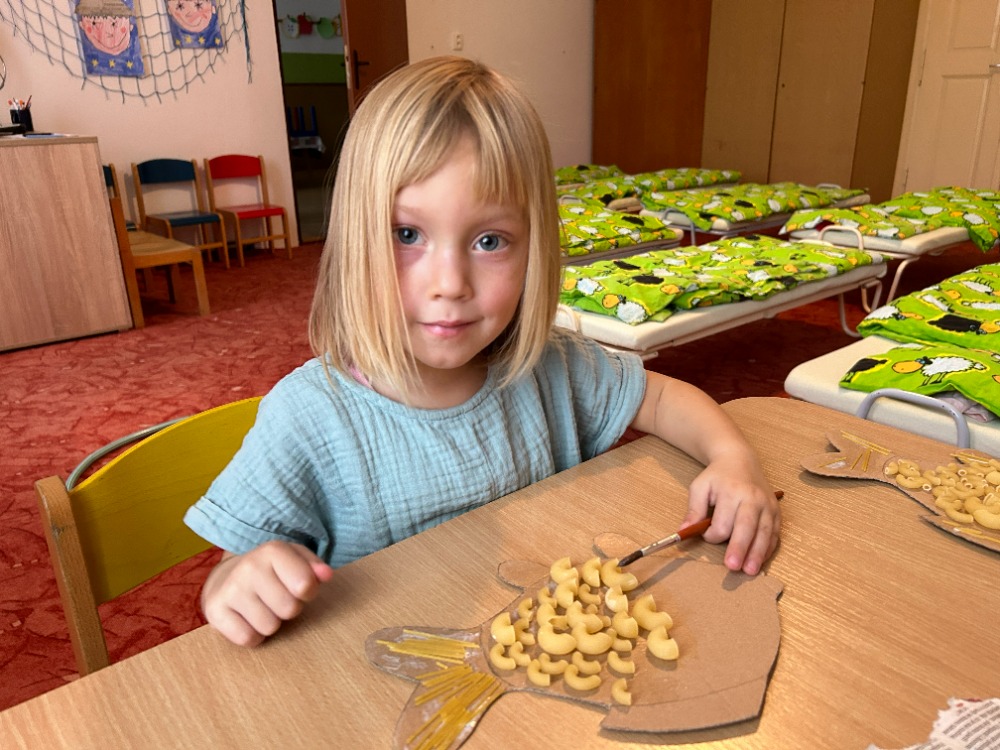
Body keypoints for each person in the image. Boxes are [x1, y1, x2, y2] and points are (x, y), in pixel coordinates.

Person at [184, 56, 781, 648]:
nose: (450, 284)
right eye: (407, 234)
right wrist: (233, 582)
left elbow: (664, 398)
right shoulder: (308, 417)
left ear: (533, 249)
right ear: (353, 237)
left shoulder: (549, 365)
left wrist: (731, 457)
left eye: (490, 241)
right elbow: (234, 571)